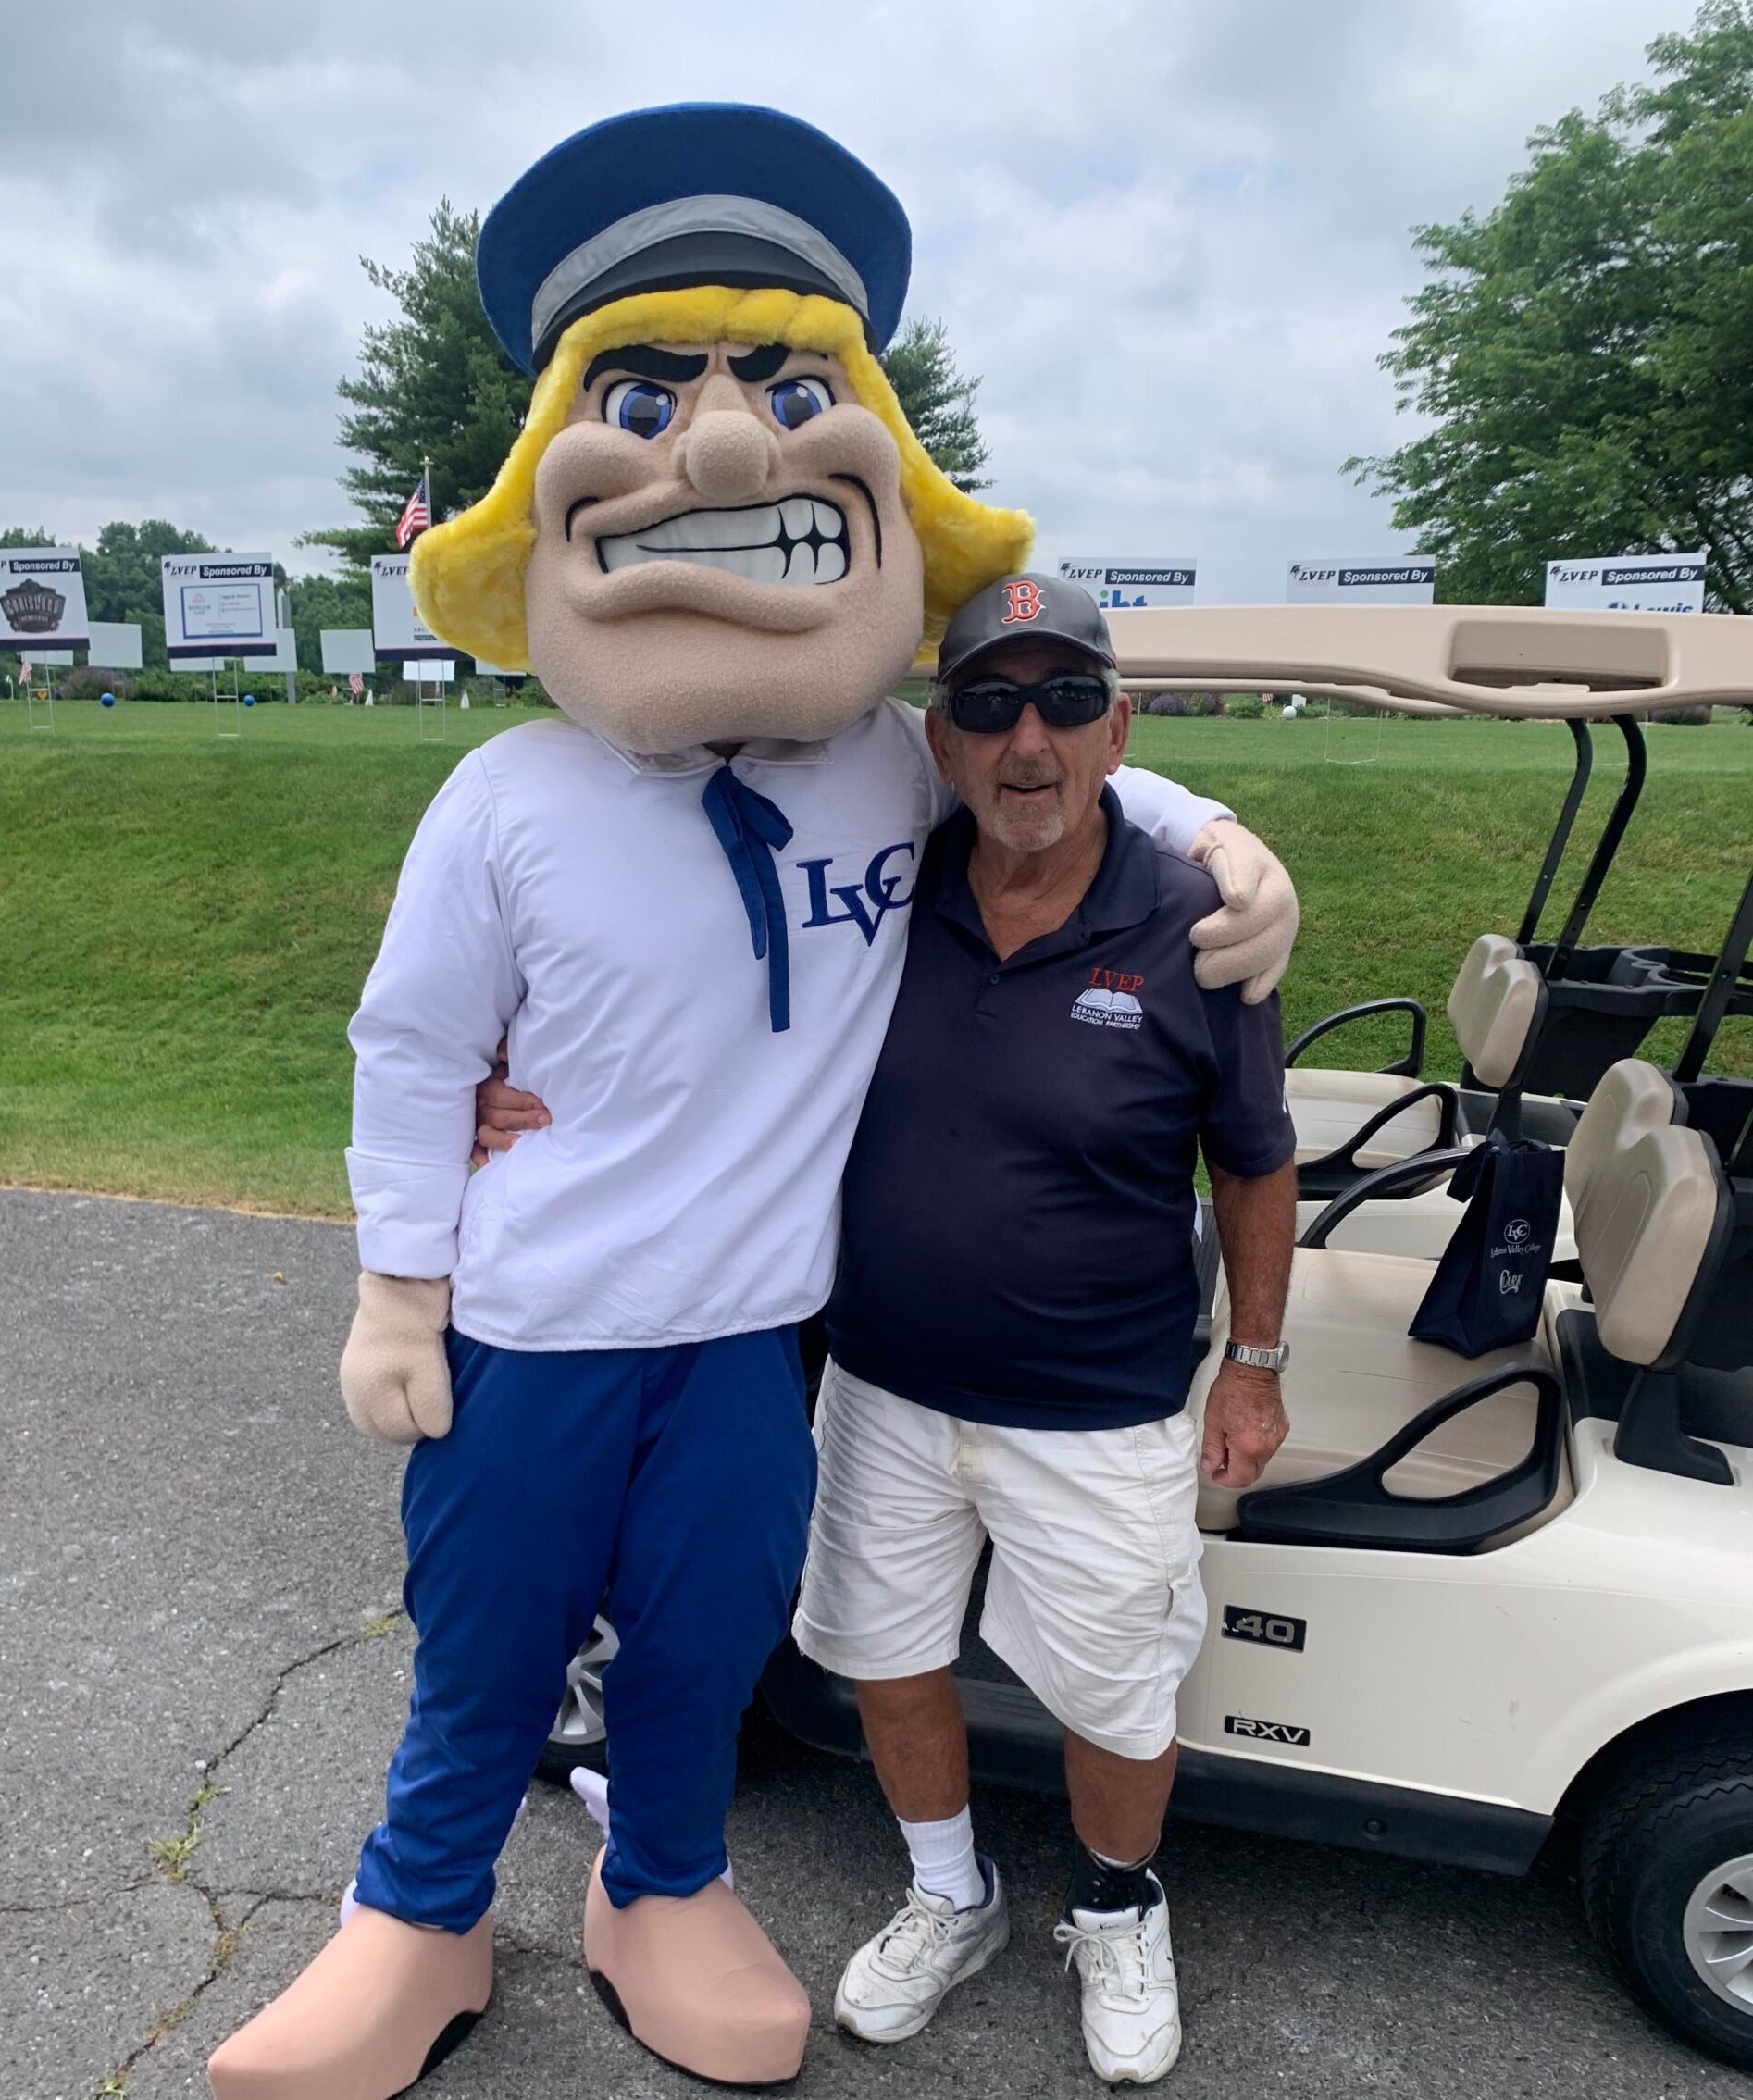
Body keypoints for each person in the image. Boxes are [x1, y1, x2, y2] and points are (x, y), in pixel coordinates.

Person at [209, 104, 1301, 2100]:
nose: (722, 454)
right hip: (536, 1324)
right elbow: (413, 1052)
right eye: (646, 399)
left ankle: (667, 1887)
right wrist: (398, 1282)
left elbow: (1054, 766)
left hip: (746, 1340)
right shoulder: (507, 799)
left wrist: (1225, 831)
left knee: (703, 1652)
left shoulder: (878, 759)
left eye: (785, 398)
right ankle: (418, 1921)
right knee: (488, 1651)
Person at [476, 572, 1298, 2086]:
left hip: (1101, 1400)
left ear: (1119, 727)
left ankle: (1116, 1906)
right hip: (884, 1380)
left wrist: (1252, 1362)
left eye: (1063, 702)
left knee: (1117, 1685)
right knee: (887, 1654)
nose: (1026, 739)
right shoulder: (891, 874)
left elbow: (1252, 1156)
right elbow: (692, 995)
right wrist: (500, 1068)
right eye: (987, 703)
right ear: (943, 737)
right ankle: (949, 1890)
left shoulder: (1194, 921)